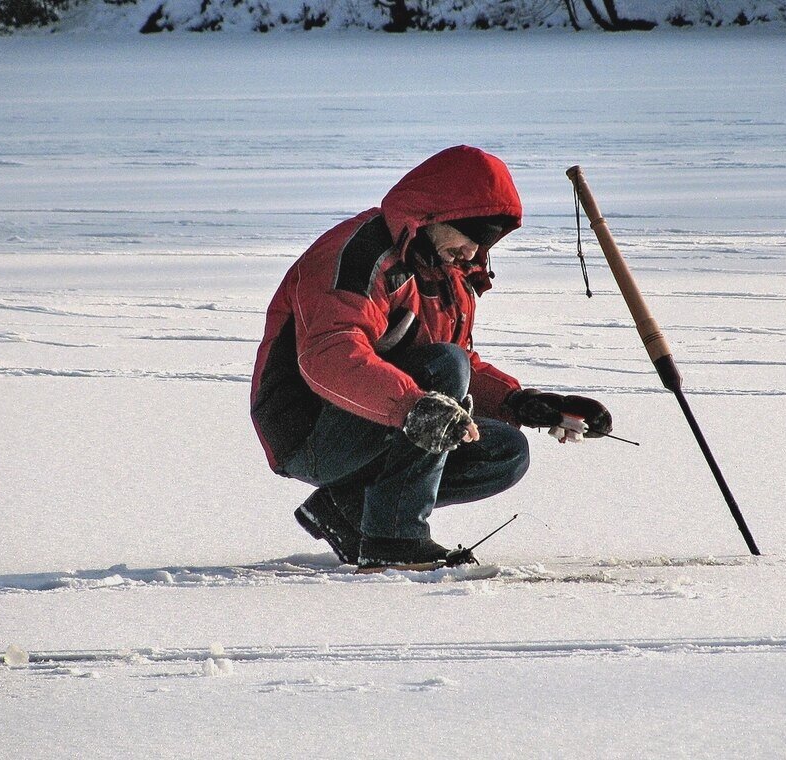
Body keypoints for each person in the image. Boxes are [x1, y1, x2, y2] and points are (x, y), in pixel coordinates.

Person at [251, 145, 613, 571]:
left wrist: (523, 403)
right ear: (437, 216)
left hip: (376, 419)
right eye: (470, 237)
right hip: (308, 430)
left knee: (505, 452)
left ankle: (346, 510)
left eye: (486, 244)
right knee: (444, 368)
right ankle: (395, 540)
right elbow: (330, 355)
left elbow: (457, 365)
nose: (473, 255)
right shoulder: (359, 254)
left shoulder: (447, 275)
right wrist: (414, 406)